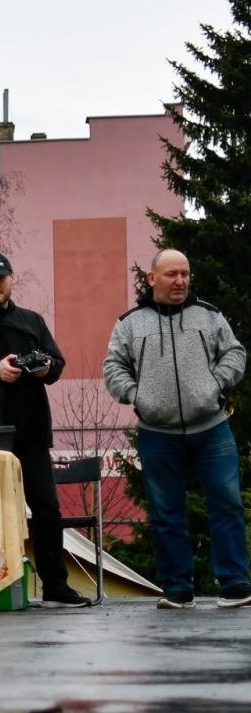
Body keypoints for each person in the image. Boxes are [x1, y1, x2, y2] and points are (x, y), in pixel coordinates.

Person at [0, 252, 91, 607]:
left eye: (0, 278)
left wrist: (43, 369)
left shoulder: (31, 321)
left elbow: (56, 364)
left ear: (11, 279)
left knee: (47, 509)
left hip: (30, 432)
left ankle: (56, 587)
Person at [104, 248, 250, 609]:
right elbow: (113, 368)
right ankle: (177, 590)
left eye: (185, 273)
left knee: (227, 504)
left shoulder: (210, 316)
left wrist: (215, 383)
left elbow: (235, 353)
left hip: (212, 429)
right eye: (172, 274)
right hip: (157, 434)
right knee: (167, 512)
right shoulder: (130, 323)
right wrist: (138, 396)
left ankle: (235, 585)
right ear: (153, 278)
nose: (181, 281)